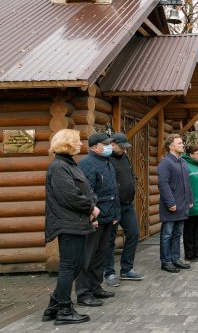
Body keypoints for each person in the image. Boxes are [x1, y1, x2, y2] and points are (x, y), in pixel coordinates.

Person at [42, 129, 97, 325]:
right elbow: (70, 197)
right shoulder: (59, 167)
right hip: (68, 224)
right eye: (77, 141)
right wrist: (91, 208)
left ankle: (53, 306)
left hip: (77, 222)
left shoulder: (68, 164)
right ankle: (64, 310)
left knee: (75, 266)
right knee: (69, 267)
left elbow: (85, 189)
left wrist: (91, 208)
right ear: (67, 143)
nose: (81, 144)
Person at [76, 133, 120, 307]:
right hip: (95, 217)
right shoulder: (87, 163)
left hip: (108, 217)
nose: (109, 146)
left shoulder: (107, 162)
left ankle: (96, 287)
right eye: (105, 144)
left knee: (100, 254)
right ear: (95, 147)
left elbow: (114, 191)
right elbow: (87, 192)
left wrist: (116, 214)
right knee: (88, 255)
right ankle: (83, 293)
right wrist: (92, 215)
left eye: (110, 143)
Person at [103, 133, 143, 287]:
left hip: (127, 205)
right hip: (112, 206)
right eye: (122, 147)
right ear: (112, 144)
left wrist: (133, 180)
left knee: (133, 234)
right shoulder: (106, 159)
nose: (124, 150)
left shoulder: (124, 157)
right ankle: (109, 273)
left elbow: (128, 173)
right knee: (109, 240)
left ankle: (126, 269)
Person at [158, 134, 194, 273]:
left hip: (183, 205)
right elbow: (163, 184)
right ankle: (166, 262)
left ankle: (175, 259)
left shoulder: (183, 162)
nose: (182, 145)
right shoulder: (165, 163)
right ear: (171, 146)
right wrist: (170, 203)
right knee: (167, 234)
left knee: (177, 234)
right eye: (179, 143)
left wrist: (190, 199)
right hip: (171, 206)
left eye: (182, 143)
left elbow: (187, 184)